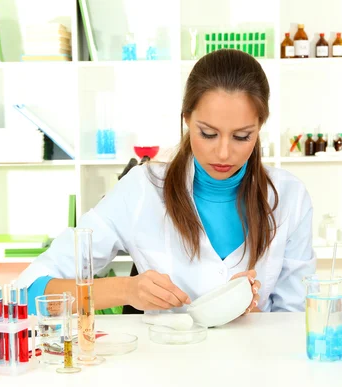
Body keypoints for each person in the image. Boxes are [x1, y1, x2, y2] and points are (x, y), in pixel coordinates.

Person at [17, 49, 316, 316]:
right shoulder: (141, 190)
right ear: (187, 119)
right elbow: (27, 293)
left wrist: (251, 313)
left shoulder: (291, 197)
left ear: (260, 127)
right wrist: (126, 291)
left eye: (242, 136)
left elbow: (296, 316)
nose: (224, 152)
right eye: (208, 134)